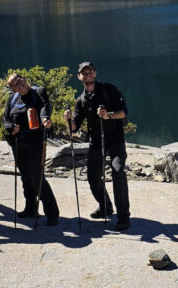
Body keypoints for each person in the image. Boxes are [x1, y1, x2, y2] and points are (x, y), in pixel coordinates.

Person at [63, 61, 131, 231]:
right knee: (92, 177)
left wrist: (108, 115)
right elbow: (74, 128)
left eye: (90, 71)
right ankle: (106, 206)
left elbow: (124, 112)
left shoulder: (110, 90)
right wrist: (68, 119)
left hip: (115, 140)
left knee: (118, 172)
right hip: (96, 142)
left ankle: (123, 217)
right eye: (84, 73)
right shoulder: (81, 100)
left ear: (95, 73)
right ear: (79, 77)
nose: (88, 75)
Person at [3, 73, 59, 225]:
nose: (18, 84)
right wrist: (11, 128)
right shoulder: (12, 99)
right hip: (18, 142)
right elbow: (6, 119)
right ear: (13, 88)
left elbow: (44, 107)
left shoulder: (38, 92)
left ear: (24, 78)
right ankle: (31, 208)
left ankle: (52, 213)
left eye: (19, 80)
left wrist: (45, 119)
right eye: (14, 84)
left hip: (35, 141)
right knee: (25, 176)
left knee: (37, 176)